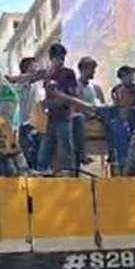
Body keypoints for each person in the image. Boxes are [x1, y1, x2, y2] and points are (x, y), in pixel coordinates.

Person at [36, 43, 79, 176]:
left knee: (65, 147)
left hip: (64, 115)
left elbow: (73, 94)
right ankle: (42, 171)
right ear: (51, 58)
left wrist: (57, 101)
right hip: (50, 117)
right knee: (45, 148)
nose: (60, 60)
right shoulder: (49, 75)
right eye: (57, 57)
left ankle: (69, 173)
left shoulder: (68, 73)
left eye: (62, 57)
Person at [73, 56, 103, 169]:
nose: (93, 72)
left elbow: (101, 102)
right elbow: (75, 106)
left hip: (97, 115)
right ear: (82, 69)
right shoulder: (75, 86)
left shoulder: (95, 88)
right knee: (78, 118)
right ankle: (81, 155)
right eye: (91, 69)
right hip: (83, 115)